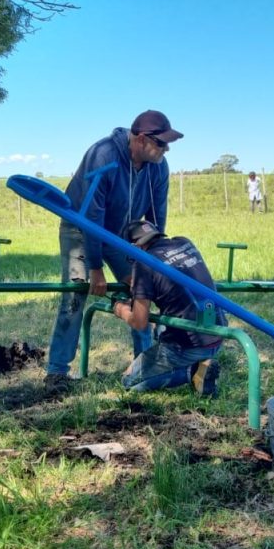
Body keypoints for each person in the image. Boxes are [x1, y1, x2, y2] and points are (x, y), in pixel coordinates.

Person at [44, 109, 183, 391]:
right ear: (142, 139)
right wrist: (95, 268)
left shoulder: (159, 167)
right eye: (161, 143)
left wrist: (150, 261)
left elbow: (157, 217)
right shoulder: (104, 155)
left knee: (142, 289)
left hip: (121, 235)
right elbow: (92, 217)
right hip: (80, 228)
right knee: (76, 292)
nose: (166, 149)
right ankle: (56, 372)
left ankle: (145, 365)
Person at [112, 220, 224, 397]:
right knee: (162, 327)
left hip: (187, 345)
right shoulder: (184, 242)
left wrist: (120, 309)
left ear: (135, 247)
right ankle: (201, 365)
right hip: (217, 332)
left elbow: (140, 322)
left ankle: (194, 371)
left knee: (128, 381)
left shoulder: (143, 264)